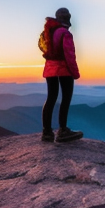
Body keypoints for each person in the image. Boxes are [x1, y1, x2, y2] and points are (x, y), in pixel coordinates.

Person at [41, 8, 83, 143]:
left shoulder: (49, 31)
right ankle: (63, 131)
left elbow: (43, 48)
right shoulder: (65, 34)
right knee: (66, 98)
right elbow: (70, 56)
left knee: (51, 98)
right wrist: (75, 74)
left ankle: (47, 133)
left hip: (50, 69)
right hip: (64, 69)